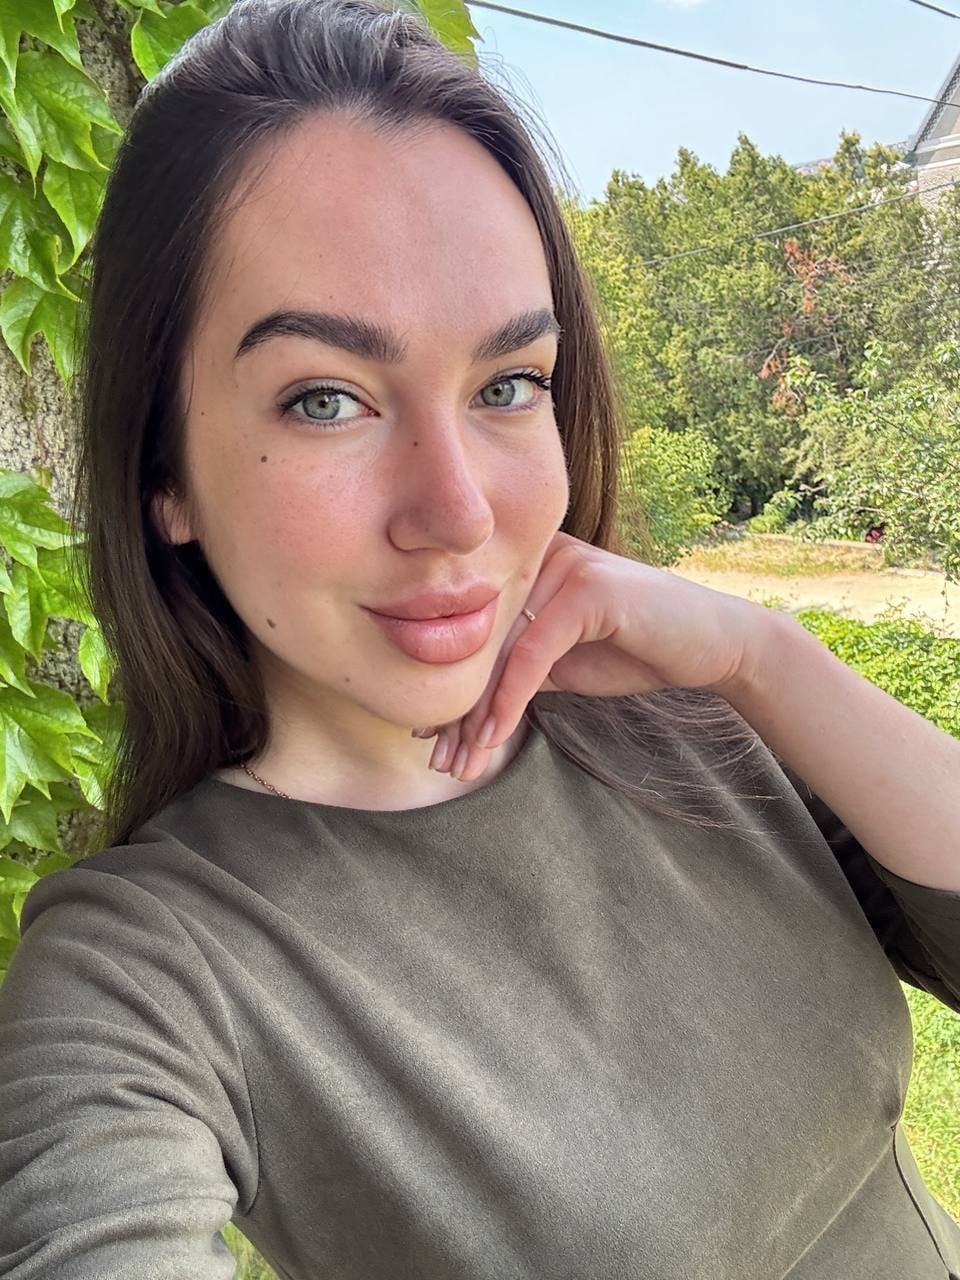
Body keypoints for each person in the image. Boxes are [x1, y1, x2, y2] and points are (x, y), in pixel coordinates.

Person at [1, 2, 959, 1277]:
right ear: (162, 469)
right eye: (326, 398)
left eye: (508, 384)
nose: (457, 511)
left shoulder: (687, 720)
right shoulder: (150, 968)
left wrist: (760, 657)